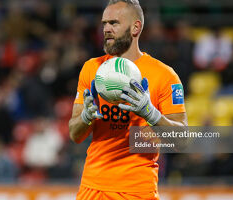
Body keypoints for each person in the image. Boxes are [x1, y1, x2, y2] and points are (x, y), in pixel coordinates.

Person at [68, 0, 187, 199]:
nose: (106, 29)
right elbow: (74, 134)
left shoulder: (165, 75)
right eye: (104, 23)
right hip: (93, 188)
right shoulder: (91, 69)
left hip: (138, 191)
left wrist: (151, 113)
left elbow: (182, 140)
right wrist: (86, 117)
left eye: (114, 23)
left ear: (136, 27)